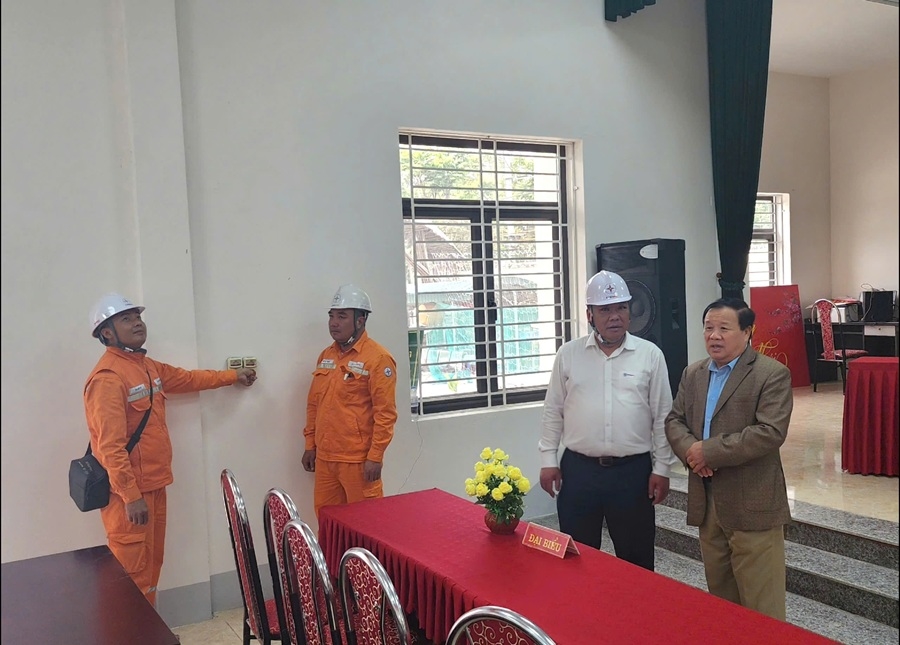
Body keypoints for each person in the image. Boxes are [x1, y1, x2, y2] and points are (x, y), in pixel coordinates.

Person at [83, 293, 257, 606]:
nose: (137, 323)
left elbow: (187, 379)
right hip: (128, 497)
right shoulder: (108, 378)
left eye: (138, 317)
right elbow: (109, 447)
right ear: (106, 332)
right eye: (126, 319)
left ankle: (147, 629)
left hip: (155, 485)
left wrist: (232, 376)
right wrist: (131, 496)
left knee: (151, 569)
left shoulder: (146, 367)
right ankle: (129, 631)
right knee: (131, 576)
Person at [538, 270, 676, 570]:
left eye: (621, 307)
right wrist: (548, 459)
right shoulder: (569, 354)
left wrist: (662, 468)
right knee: (577, 559)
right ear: (590, 314)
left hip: (632, 473)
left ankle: (635, 603)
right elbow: (553, 410)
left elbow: (663, 416)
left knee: (636, 560)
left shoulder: (650, 355)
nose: (615, 316)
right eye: (605, 310)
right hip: (579, 471)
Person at [665, 298, 793, 620]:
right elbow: (675, 420)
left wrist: (708, 451)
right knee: (722, 605)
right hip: (708, 504)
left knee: (763, 609)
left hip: (752, 504)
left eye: (724, 328)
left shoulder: (771, 374)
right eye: (708, 328)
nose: (714, 336)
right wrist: (692, 452)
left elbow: (769, 432)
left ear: (748, 332)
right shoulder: (694, 373)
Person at [302, 284, 398, 517]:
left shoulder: (378, 359)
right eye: (331, 316)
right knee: (328, 524)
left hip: (358, 461)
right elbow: (314, 404)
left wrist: (375, 456)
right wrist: (310, 445)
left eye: (342, 316)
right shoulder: (326, 356)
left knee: (366, 523)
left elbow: (385, 414)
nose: (333, 323)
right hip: (325, 458)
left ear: (360, 320)